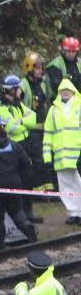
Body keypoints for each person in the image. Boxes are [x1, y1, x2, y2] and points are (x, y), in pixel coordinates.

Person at [0, 115, 38, 251]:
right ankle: (27, 226)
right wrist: (24, 184)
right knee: (16, 211)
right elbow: (26, 165)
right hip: (14, 187)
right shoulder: (14, 145)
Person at [0, 75, 41, 223]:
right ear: (12, 90)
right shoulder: (0, 108)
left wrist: (22, 121)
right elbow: (12, 128)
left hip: (25, 143)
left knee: (27, 178)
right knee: (17, 181)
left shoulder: (18, 104)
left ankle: (28, 211)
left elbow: (33, 117)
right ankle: (20, 215)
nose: (20, 90)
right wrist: (23, 123)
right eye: (18, 88)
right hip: (12, 146)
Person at [43, 79, 81, 224]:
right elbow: (48, 134)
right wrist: (47, 157)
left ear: (72, 91)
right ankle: (74, 213)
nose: (65, 92)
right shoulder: (53, 111)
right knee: (65, 185)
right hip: (60, 157)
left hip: (76, 156)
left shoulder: (79, 107)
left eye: (67, 89)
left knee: (78, 183)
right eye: (62, 89)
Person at [21, 51, 55, 204]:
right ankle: (38, 192)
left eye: (41, 67)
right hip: (31, 130)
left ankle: (49, 190)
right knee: (37, 161)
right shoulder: (23, 85)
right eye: (38, 68)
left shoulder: (42, 84)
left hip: (44, 128)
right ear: (29, 69)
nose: (41, 70)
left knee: (47, 159)